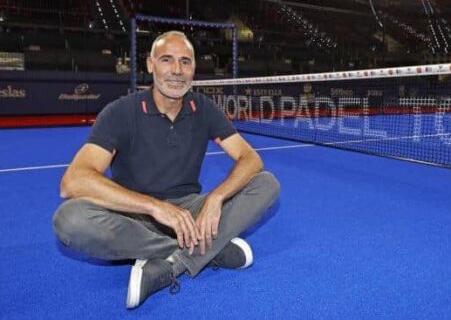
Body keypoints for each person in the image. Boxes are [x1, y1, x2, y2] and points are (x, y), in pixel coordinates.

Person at [52, 31, 280, 309]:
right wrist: (153, 207)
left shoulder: (204, 108)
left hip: (190, 213)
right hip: (134, 216)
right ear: (150, 65)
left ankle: (171, 263)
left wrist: (215, 199)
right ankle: (208, 249)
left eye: (185, 61)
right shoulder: (120, 112)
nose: (177, 70)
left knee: (266, 184)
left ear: (193, 68)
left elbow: (250, 158)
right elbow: (73, 181)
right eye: (166, 60)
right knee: (70, 219)